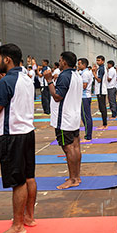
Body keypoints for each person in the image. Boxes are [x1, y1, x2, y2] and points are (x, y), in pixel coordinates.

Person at [0, 43, 37, 233]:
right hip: (27, 132)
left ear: (7, 59)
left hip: (12, 135)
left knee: (18, 182)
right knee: (29, 176)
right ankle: (28, 217)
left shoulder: (7, 82)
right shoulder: (26, 78)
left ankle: (18, 225)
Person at [45, 51, 82, 189]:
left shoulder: (64, 76)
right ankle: (76, 176)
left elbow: (57, 96)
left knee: (68, 148)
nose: (59, 63)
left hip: (64, 119)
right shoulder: (76, 75)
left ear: (64, 62)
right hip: (73, 117)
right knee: (76, 147)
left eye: (60, 61)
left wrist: (49, 80)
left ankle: (72, 179)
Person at [78, 58, 94, 140]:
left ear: (83, 65)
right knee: (85, 116)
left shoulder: (85, 74)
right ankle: (88, 134)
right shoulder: (84, 72)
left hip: (84, 96)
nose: (78, 65)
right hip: (85, 96)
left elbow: (84, 86)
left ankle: (88, 135)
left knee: (85, 117)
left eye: (79, 64)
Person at [92, 55, 108, 127]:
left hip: (101, 90)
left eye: (99, 60)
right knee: (101, 107)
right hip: (100, 90)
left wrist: (94, 73)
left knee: (102, 107)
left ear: (103, 61)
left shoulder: (102, 69)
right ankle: (104, 123)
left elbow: (99, 80)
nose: (97, 62)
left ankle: (104, 124)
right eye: (97, 60)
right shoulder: (101, 68)